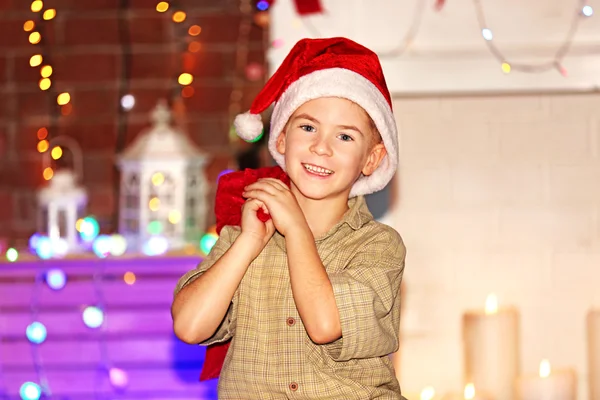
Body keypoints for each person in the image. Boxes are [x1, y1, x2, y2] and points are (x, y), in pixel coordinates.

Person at [171, 36, 407, 399]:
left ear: (371, 160)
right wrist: (248, 243)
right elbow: (189, 327)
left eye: (345, 136)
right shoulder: (245, 234)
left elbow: (326, 323)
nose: (321, 147)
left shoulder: (378, 245)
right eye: (308, 127)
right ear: (281, 138)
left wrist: (296, 229)